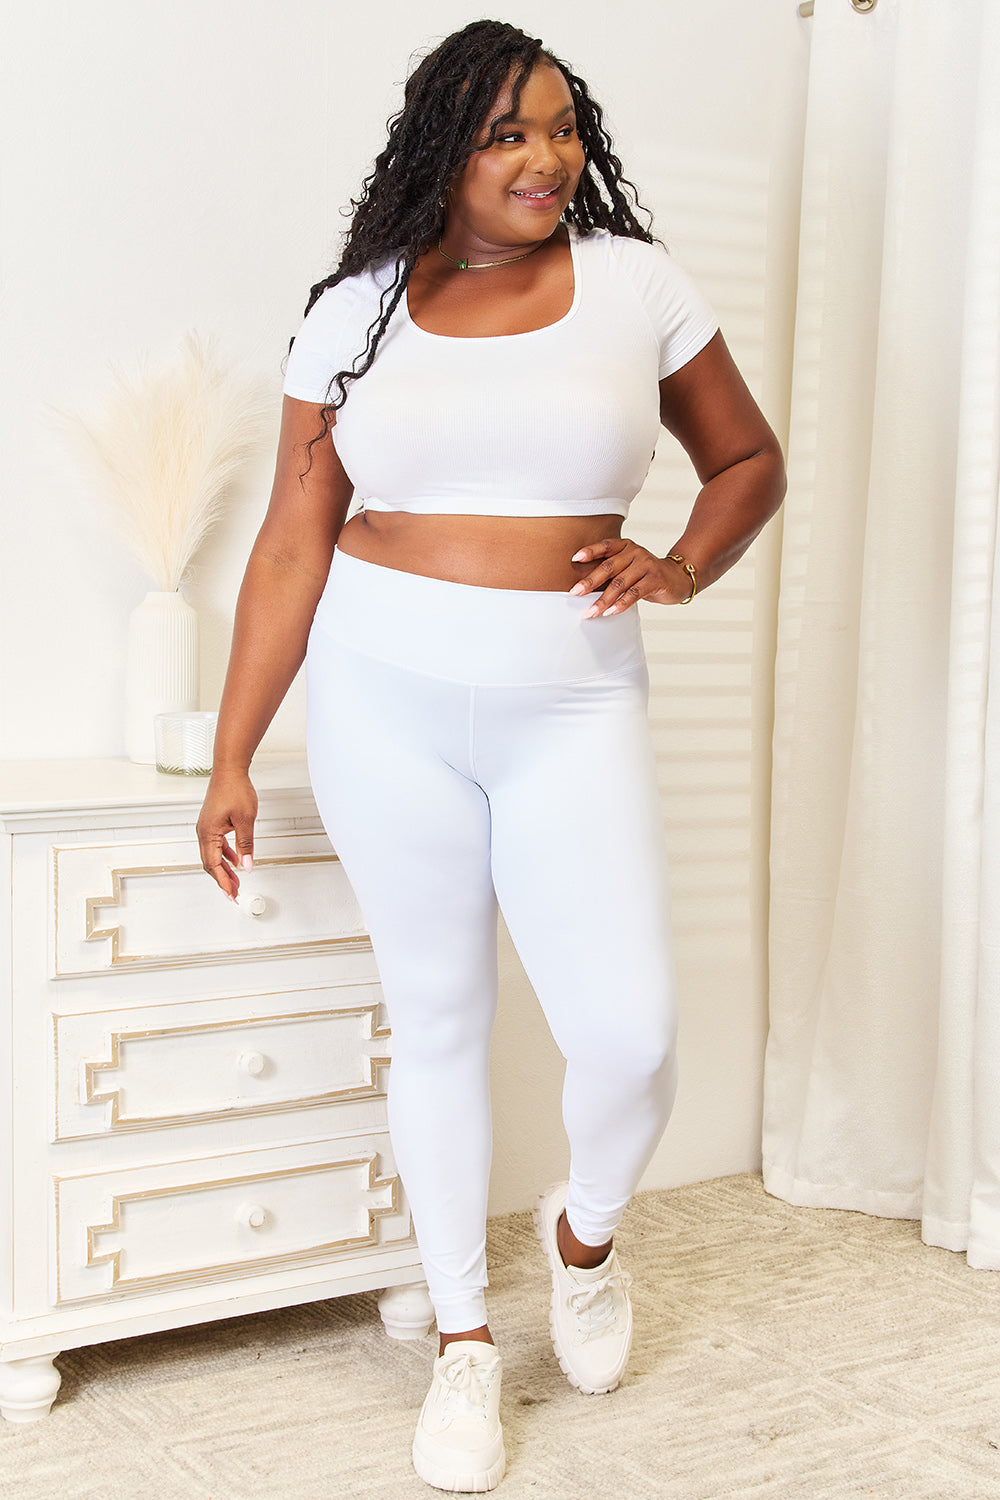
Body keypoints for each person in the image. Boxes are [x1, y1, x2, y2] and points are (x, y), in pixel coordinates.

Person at [197, 18, 785, 1494]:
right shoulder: (356, 312)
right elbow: (290, 544)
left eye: (563, 127)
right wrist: (231, 755)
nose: (547, 159)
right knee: (441, 1018)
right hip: (382, 693)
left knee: (631, 1030)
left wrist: (687, 566)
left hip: (571, 702)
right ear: (441, 148)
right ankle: (464, 1344)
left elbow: (749, 457)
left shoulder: (634, 286)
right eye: (508, 133)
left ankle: (580, 1237)